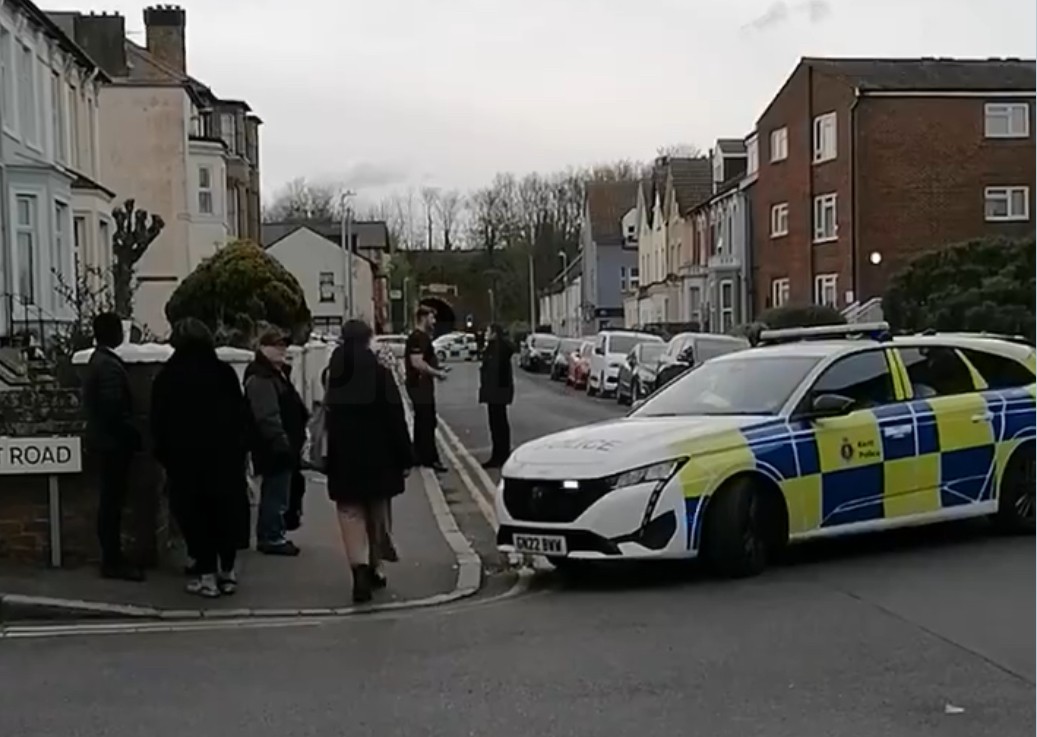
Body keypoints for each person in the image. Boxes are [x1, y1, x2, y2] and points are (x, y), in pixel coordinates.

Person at [151, 318, 250, 598]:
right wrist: (241, 450)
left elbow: (159, 422)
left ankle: (206, 576)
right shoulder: (224, 373)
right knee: (225, 512)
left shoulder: (168, 377)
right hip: (225, 458)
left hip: (186, 460)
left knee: (196, 516)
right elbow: (241, 415)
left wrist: (165, 456)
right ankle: (227, 572)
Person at [324, 319, 414, 603]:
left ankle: (359, 574)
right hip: (380, 458)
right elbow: (395, 419)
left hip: (344, 458)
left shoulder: (332, 375)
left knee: (350, 515)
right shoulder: (380, 374)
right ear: (367, 340)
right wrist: (406, 456)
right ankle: (376, 566)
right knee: (377, 517)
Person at [81, 312, 144, 581]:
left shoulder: (99, 361)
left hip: (105, 442)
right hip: (113, 445)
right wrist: (133, 434)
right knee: (112, 504)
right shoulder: (108, 366)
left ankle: (114, 557)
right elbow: (113, 409)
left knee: (111, 503)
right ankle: (112, 561)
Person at [244, 327, 309, 556]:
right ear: (262, 348)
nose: (282, 349)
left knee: (282, 490)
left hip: (283, 442)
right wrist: (280, 440)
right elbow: (266, 414)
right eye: (276, 345)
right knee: (276, 492)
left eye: (284, 345)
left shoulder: (277, 374)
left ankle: (274, 533)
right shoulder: (261, 378)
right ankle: (271, 536)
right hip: (273, 445)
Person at [404, 306, 448, 473]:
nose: (434, 321)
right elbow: (416, 362)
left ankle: (418, 456)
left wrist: (438, 368)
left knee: (423, 421)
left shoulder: (423, 338)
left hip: (422, 384)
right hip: (419, 385)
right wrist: (437, 373)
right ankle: (430, 458)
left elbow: (425, 360)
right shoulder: (417, 338)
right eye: (432, 318)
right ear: (423, 318)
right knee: (427, 421)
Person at [478, 323, 515, 469]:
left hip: (497, 393)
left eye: (488, 331)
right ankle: (499, 454)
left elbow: (494, 372)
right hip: (495, 392)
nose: (486, 334)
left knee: (499, 425)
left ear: (494, 333)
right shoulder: (493, 348)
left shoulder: (499, 349)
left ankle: (501, 455)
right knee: (496, 425)